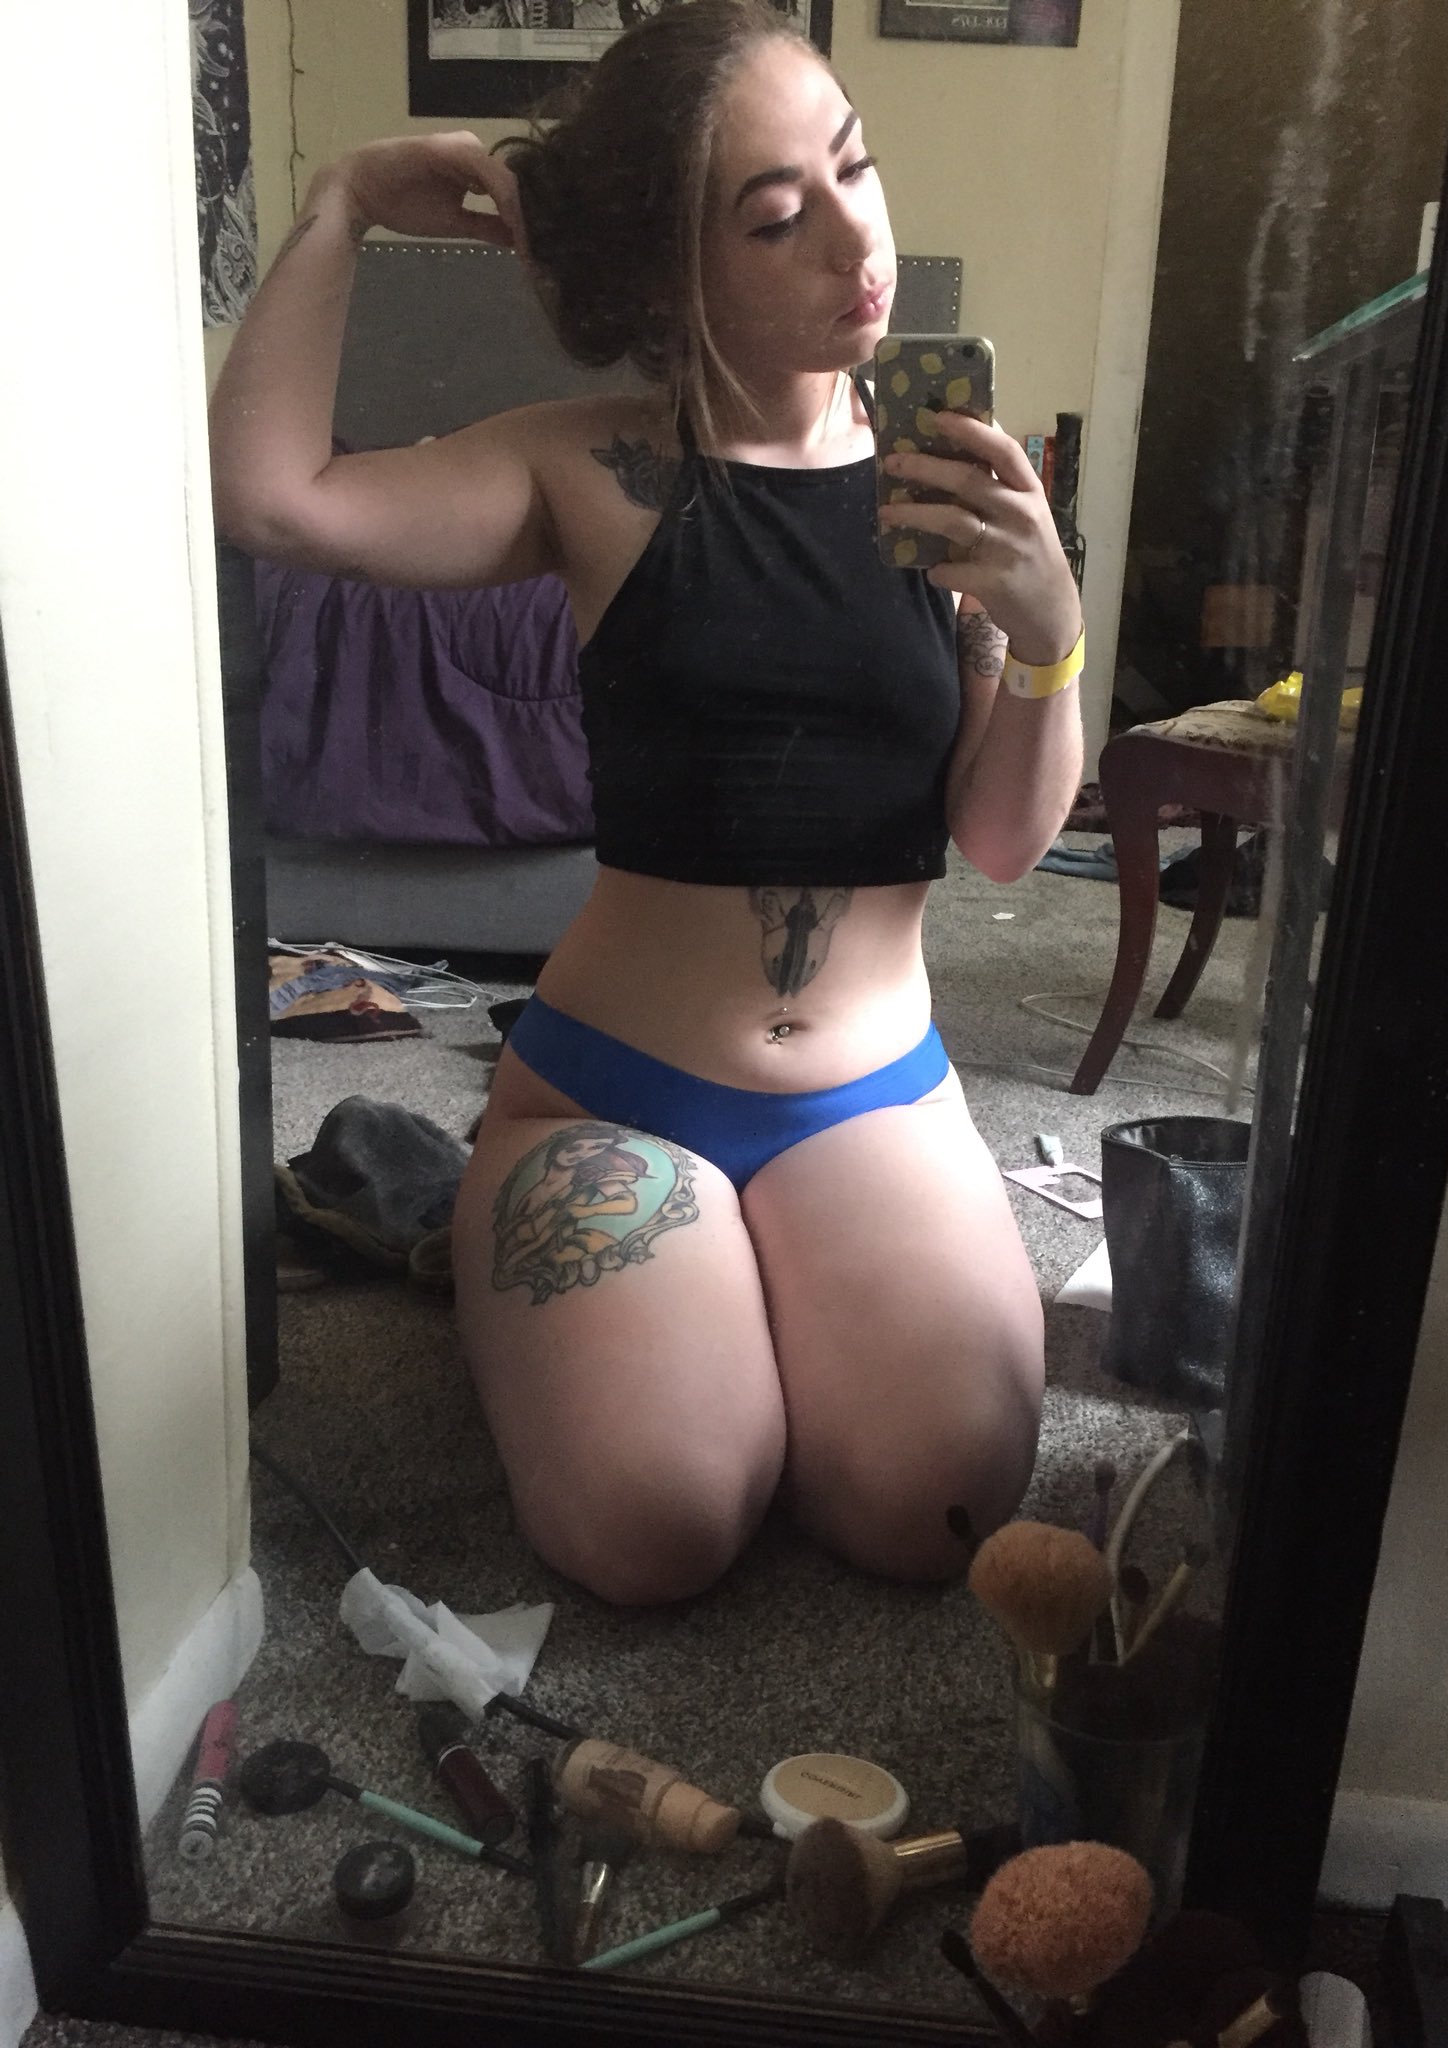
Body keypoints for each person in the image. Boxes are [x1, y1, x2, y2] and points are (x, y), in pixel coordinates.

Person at [209, 0, 1084, 1607]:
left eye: (854, 169)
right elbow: (271, 498)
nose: (856, 241)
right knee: (656, 1526)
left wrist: (1048, 633)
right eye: (777, 215)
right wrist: (337, 209)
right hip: (614, 1101)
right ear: (676, 279)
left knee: (940, 1502)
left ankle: (726, 1296)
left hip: (873, 1100)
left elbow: (1005, 839)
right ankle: (536, 1256)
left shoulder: (945, 471)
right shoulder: (584, 469)